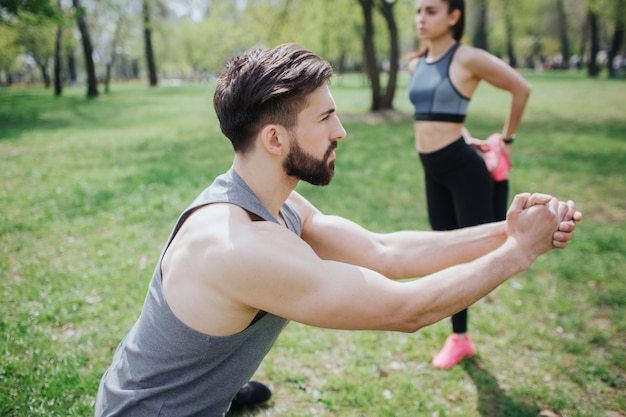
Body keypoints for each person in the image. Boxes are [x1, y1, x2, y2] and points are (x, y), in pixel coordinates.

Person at [94, 43, 581, 417]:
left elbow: (384, 251)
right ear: (274, 138)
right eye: (326, 117)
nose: (341, 130)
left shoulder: (270, 199)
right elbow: (405, 309)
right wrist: (519, 253)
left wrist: (505, 230)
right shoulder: (238, 246)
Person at [406, 0, 533, 369]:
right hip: (433, 170)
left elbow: (520, 88)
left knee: (469, 254)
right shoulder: (416, 62)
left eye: (431, 10)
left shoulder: (468, 58)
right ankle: (458, 335)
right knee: (446, 255)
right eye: (418, 11)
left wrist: (506, 140)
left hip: (464, 171)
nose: (421, 18)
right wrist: (466, 134)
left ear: (453, 16)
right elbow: (435, 114)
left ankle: (459, 338)